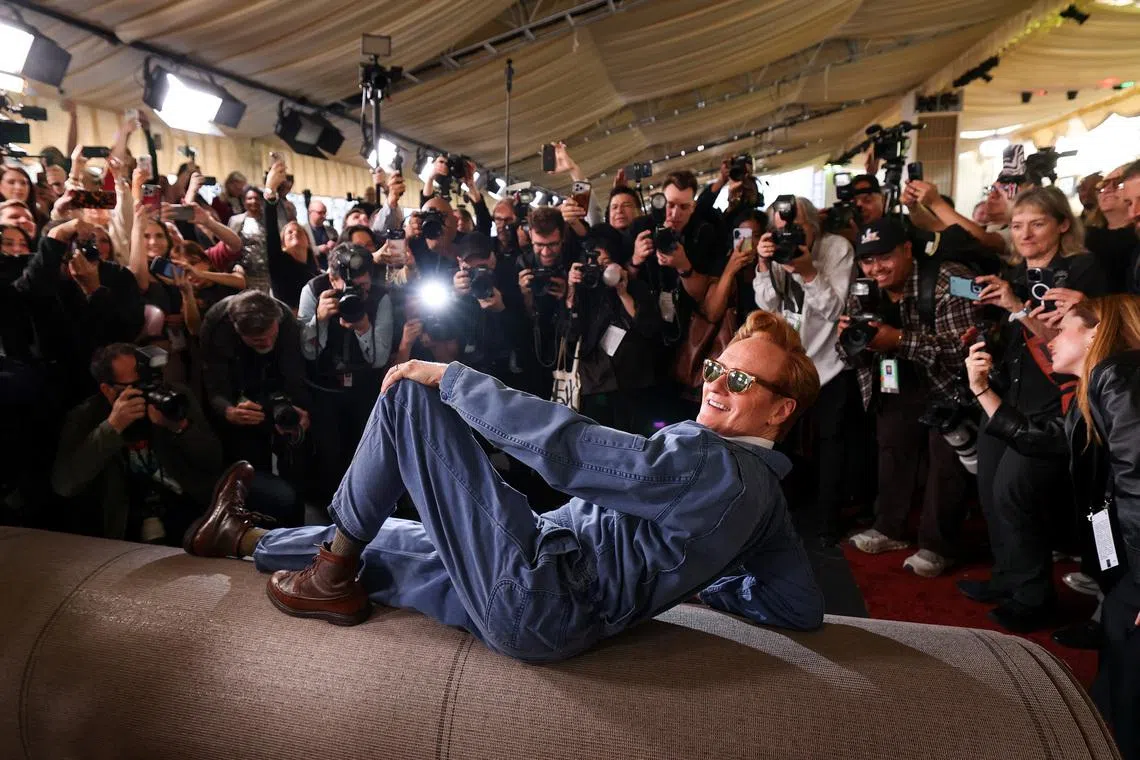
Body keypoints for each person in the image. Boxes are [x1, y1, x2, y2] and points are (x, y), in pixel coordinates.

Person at [184, 310, 824, 662]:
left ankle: (327, 575)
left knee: (409, 396)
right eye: (717, 368)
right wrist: (701, 576)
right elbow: (799, 607)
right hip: (551, 599)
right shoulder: (767, 501)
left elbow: (571, 451)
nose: (714, 383)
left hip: (540, 590)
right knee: (400, 542)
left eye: (740, 382)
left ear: (779, 412)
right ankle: (243, 539)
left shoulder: (709, 461)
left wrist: (455, 379)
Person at [967, 295, 1140, 759]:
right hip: (1116, 545)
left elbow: (1139, 483)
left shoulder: (1118, 377)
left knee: (1128, 656)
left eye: (1063, 327)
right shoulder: (1094, 388)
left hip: (1134, 558)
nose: (1052, 338)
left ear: (1095, 332)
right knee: (1115, 660)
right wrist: (983, 390)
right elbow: (1039, 441)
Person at [957, 186, 1106, 631]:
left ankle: (1033, 595)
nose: (1024, 233)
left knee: (1017, 493)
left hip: (1052, 404)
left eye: (1036, 223)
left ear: (1063, 224)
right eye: (1017, 225)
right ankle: (1007, 578)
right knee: (990, 489)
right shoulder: (1016, 273)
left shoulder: (1084, 271)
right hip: (1007, 393)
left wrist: (1017, 306)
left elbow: (1068, 339)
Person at [844, 218, 975, 578]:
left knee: (945, 465)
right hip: (894, 382)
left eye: (884, 258)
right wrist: (853, 341)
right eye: (867, 261)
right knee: (892, 450)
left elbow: (964, 350)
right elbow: (852, 353)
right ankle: (889, 528)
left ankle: (937, 546)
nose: (875, 269)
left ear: (906, 250)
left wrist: (899, 340)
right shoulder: (863, 287)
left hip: (950, 385)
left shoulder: (952, 278)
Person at [752, 197, 860, 546]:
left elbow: (836, 310)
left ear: (814, 226)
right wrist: (764, 265)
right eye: (781, 229)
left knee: (833, 447)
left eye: (797, 228)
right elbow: (767, 306)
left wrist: (808, 271)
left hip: (830, 363)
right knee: (782, 442)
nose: (789, 235)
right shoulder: (778, 251)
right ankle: (783, 515)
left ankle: (829, 523)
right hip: (790, 364)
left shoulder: (837, 248)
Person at [51, 343, 222, 543]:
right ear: (107, 390)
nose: (148, 391)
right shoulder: (86, 417)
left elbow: (213, 460)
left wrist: (180, 427)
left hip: (183, 506)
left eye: (151, 381)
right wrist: (111, 428)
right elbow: (64, 484)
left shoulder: (175, 397)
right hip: (125, 520)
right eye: (137, 386)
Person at [199, 290, 310, 525]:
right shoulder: (217, 324)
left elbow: (294, 373)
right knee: (250, 467)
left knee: (295, 462)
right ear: (238, 331)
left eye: (272, 336)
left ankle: (295, 525)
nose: (267, 343)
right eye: (259, 341)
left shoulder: (285, 319)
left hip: (276, 383)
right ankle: (253, 526)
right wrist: (228, 411)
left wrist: (297, 410)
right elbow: (214, 385)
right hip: (239, 394)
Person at [298, 243, 395, 498]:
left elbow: (378, 359)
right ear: (332, 278)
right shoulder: (313, 290)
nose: (358, 293)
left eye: (363, 286)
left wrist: (364, 327)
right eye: (350, 286)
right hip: (324, 387)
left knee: (364, 452)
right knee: (329, 455)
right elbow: (307, 354)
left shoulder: (380, 297)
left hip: (363, 388)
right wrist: (318, 320)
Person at [566, 223, 662, 433]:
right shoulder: (584, 292)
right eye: (595, 264)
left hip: (635, 380)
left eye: (606, 263)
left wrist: (624, 294)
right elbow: (571, 334)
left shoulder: (636, 288)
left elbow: (649, 328)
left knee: (640, 436)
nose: (601, 269)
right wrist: (572, 289)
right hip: (596, 382)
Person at [1086, 165, 1137, 291]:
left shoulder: (1136, 239)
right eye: (1103, 184)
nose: (1107, 189)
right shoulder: (1085, 236)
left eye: (1118, 183)